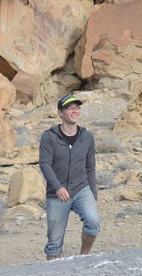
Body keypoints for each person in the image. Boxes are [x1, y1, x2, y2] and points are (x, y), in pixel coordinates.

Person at [38, 94, 100, 260]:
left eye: (77, 107)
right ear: (60, 112)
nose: (74, 111)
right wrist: (58, 187)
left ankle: (83, 258)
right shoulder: (49, 136)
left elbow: (90, 167)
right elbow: (44, 164)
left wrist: (93, 194)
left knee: (93, 223)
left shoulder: (87, 137)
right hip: (57, 194)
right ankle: (54, 275)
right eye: (70, 108)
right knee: (54, 243)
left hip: (81, 189)